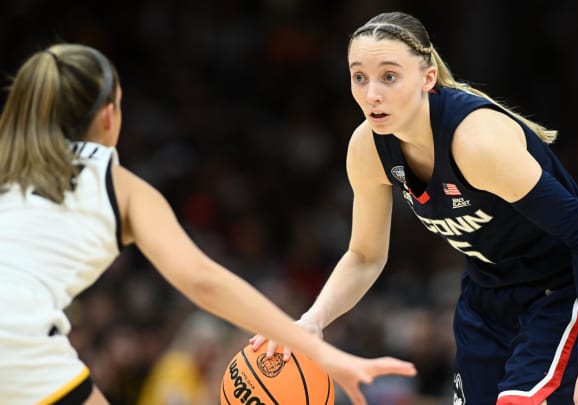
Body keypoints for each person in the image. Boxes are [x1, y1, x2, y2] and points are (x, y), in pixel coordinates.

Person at [0, 43, 416, 405]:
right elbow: (202, 280)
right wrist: (317, 351)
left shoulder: (7, 164)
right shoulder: (119, 186)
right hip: (13, 330)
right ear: (109, 116)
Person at [251, 11, 578, 405]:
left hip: (557, 291)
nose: (371, 93)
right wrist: (313, 320)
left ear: (427, 78)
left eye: (389, 77)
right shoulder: (367, 149)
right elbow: (363, 256)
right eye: (360, 77)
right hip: (485, 295)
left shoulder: (476, 144)